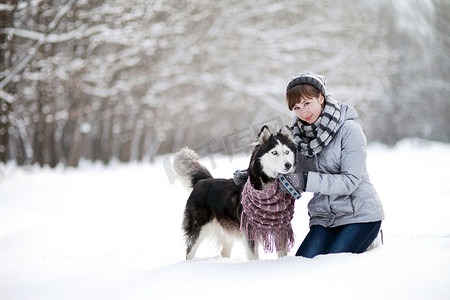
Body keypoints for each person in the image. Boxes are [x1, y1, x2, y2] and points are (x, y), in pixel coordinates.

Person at [235, 72, 385, 258]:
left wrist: (305, 180)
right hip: (324, 219)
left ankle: (371, 238)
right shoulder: (296, 136)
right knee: (303, 264)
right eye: (297, 107)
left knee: (331, 264)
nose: (303, 112)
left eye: (307, 103)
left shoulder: (349, 130)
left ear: (321, 97)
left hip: (360, 216)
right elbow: (289, 169)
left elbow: (349, 181)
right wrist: (255, 175)